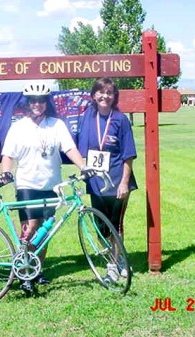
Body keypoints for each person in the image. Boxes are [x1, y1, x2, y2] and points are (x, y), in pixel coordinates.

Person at [1, 82, 85, 292]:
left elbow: (70, 148)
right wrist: (6, 172)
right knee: (29, 230)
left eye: (41, 100)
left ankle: (37, 270)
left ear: (47, 102)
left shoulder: (56, 124)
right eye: (33, 100)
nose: (37, 104)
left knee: (46, 231)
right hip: (27, 185)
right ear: (27, 103)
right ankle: (25, 272)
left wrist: (84, 166)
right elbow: (8, 155)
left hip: (52, 185)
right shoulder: (18, 126)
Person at [77, 77, 137, 281]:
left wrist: (124, 183)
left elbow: (128, 154)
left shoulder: (120, 120)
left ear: (114, 96)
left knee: (115, 224)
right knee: (100, 225)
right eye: (101, 92)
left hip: (117, 181)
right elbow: (82, 149)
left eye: (109, 92)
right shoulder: (87, 117)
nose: (105, 96)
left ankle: (116, 261)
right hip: (95, 182)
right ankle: (112, 259)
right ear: (94, 95)